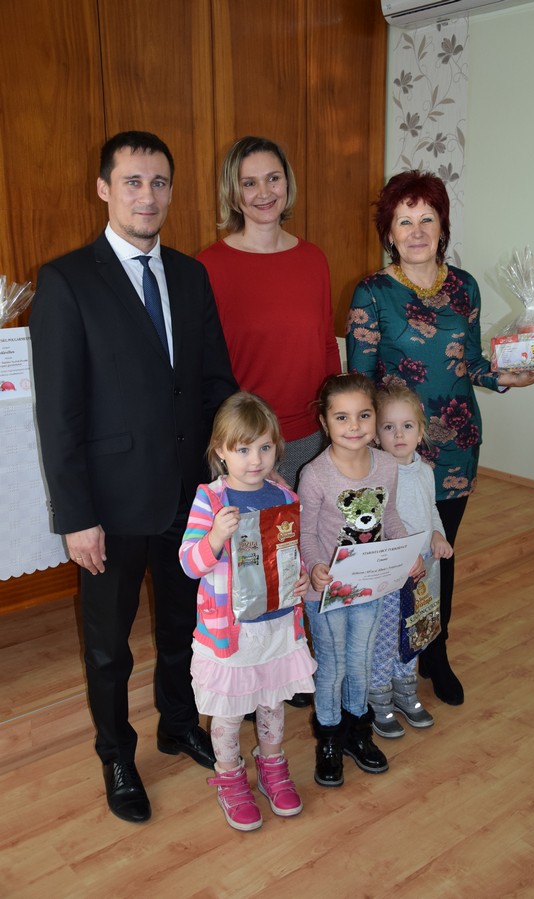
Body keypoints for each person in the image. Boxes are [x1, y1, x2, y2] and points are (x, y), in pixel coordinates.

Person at [29, 131, 238, 824]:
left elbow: (214, 383)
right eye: (132, 182)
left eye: (159, 182)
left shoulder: (191, 275)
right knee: (108, 647)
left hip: (188, 496)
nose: (147, 196)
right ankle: (117, 753)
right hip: (111, 505)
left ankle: (177, 724)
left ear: (171, 191)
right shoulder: (66, 280)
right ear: (104, 188)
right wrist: (76, 516)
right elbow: (60, 414)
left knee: (183, 625)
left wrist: (229, 475)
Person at [346, 170, 534, 707]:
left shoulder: (464, 287)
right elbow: (360, 383)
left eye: (427, 218)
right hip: (394, 450)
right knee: (389, 552)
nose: (417, 231)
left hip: (456, 443)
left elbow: (471, 362)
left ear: (442, 226)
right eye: (404, 221)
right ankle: (379, 656)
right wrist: (362, 454)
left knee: (440, 550)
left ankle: (434, 650)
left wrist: (510, 377)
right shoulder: (372, 292)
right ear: (389, 232)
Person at [197, 135, 341, 709]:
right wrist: (244, 450)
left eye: (273, 179)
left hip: (307, 436)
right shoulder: (209, 265)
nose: (263, 192)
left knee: (305, 554)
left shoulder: (313, 259)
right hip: (248, 449)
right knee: (251, 567)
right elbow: (205, 365)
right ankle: (248, 674)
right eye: (249, 182)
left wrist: (335, 426)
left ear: (288, 184)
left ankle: (297, 661)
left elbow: (325, 348)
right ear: (232, 190)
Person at [179, 392, 316, 831]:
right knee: (230, 711)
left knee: (273, 702)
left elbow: (290, 554)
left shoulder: (283, 494)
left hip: (277, 628)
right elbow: (190, 564)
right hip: (231, 632)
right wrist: (215, 537)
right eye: (242, 449)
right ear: (221, 451)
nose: (255, 459)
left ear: (277, 448)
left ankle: (272, 765)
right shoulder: (210, 499)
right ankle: (230, 777)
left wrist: (299, 580)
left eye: (264, 447)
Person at [297, 373, 423, 787]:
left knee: (360, 662)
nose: (354, 426)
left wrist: (408, 552)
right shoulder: (315, 474)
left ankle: (357, 732)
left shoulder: (386, 465)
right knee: (332, 667)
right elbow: (306, 533)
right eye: (342, 417)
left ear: (374, 417)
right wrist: (315, 566)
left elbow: (390, 518)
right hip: (326, 593)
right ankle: (329, 739)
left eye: (364, 416)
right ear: (324, 422)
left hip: (370, 587)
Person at [369, 384, 453, 738]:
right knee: (386, 636)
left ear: (421, 432)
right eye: (389, 427)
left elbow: (430, 509)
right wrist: (401, 558)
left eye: (407, 426)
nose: (399, 435)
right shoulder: (378, 474)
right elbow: (375, 526)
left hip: (421, 572)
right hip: (392, 573)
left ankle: (405, 689)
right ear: (377, 435)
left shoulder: (425, 471)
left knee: (414, 631)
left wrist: (437, 535)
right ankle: (378, 696)